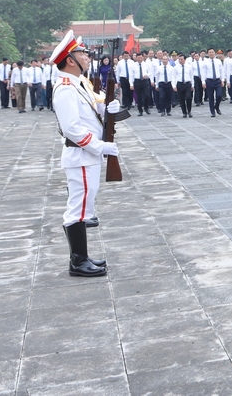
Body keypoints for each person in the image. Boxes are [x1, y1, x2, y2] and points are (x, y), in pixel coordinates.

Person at [51, 29, 119, 277]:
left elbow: (90, 110)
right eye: (81, 53)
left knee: (84, 205)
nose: (87, 56)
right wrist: (101, 146)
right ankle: (78, 262)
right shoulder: (66, 88)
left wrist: (106, 106)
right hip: (80, 155)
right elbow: (72, 129)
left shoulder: (76, 84)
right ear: (70, 59)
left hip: (86, 156)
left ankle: (82, 258)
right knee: (77, 209)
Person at [202, 48, 225, 117]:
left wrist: (222, 80)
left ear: (215, 53)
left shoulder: (218, 61)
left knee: (219, 95)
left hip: (217, 80)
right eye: (210, 52)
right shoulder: (205, 62)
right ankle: (212, 112)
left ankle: (217, 106)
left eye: (212, 52)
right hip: (209, 81)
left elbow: (221, 71)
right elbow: (203, 73)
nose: (211, 53)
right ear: (207, 54)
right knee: (211, 97)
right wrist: (203, 82)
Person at [132, 51, 154, 116]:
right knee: (139, 97)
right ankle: (140, 110)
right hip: (137, 81)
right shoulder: (133, 65)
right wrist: (131, 84)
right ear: (136, 58)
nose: (140, 59)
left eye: (141, 58)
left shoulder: (146, 64)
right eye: (138, 58)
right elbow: (131, 75)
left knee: (147, 95)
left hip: (145, 81)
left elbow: (150, 72)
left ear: (143, 58)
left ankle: (146, 108)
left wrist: (147, 75)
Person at [174, 52, 194, 117]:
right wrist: (174, 86)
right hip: (180, 84)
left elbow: (191, 76)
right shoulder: (176, 67)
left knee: (188, 97)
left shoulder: (189, 67)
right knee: (181, 99)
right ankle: (184, 112)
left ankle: (189, 111)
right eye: (179, 59)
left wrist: (192, 85)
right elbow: (174, 77)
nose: (180, 61)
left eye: (181, 59)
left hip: (187, 83)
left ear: (185, 59)